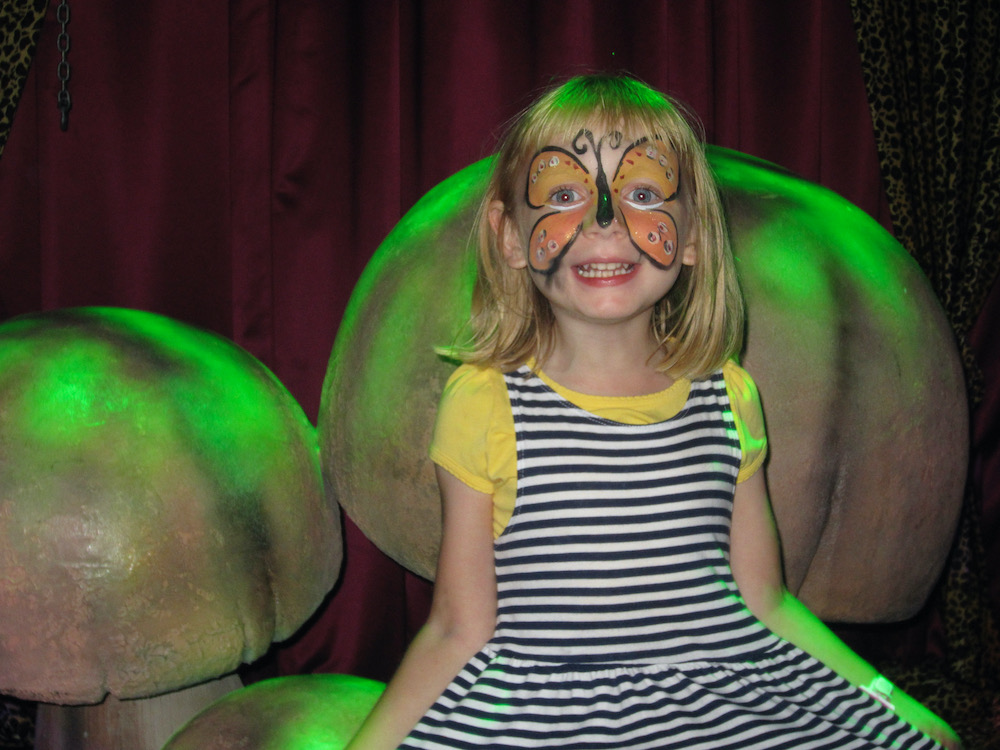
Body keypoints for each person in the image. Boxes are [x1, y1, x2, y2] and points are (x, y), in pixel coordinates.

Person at [346, 74, 961, 749]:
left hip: (724, 706)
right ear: (511, 235)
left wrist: (886, 700)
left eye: (642, 194)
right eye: (565, 195)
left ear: (693, 232)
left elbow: (767, 603)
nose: (604, 222)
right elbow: (458, 627)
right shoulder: (483, 400)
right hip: (548, 717)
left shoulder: (728, 394)